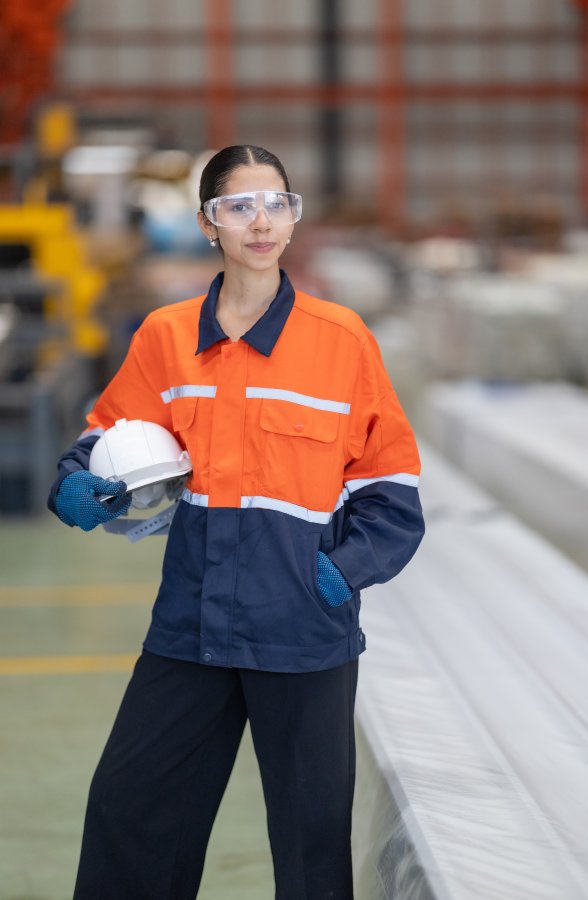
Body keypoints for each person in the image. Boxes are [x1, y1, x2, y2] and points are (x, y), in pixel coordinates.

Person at [47, 144, 425, 900]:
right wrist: (76, 485)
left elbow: (392, 493)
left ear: (293, 218)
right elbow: (108, 437)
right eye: (239, 206)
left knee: (311, 844)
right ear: (207, 224)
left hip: (302, 628)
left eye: (277, 204)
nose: (261, 222)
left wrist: (340, 573)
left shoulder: (341, 341)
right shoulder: (166, 336)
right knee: (130, 814)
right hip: (191, 625)